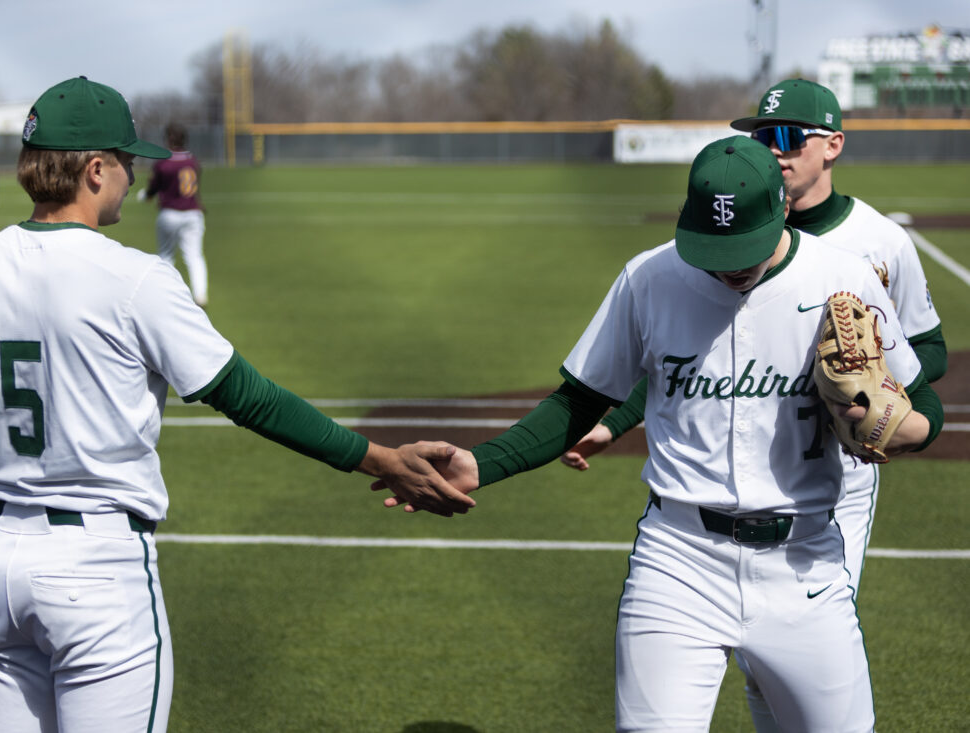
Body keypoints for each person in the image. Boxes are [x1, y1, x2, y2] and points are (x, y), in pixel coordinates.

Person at [0, 76, 473, 733]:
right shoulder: (135, 279)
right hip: (97, 571)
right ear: (94, 170)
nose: (133, 174)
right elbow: (247, 397)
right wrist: (379, 458)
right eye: (126, 162)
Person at [380, 136, 944, 731]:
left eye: (743, 247)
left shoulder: (843, 276)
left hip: (805, 566)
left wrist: (905, 428)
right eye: (714, 249)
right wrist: (482, 463)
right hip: (678, 564)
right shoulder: (649, 278)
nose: (729, 266)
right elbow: (581, 398)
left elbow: (924, 403)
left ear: (783, 208)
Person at [560, 78, 948, 731]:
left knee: (793, 649)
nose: (773, 149)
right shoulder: (714, 244)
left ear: (833, 145)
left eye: (788, 136)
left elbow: (925, 351)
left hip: (840, 475)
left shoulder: (876, 243)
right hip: (703, 518)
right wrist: (619, 418)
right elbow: (694, 364)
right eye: (763, 137)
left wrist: (870, 391)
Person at [140, 123, 208, 307]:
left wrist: (146, 195)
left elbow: (153, 189)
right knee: (195, 256)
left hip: (170, 213)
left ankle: (166, 294)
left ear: (168, 138)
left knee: (166, 256)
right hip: (193, 213)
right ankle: (200, 295)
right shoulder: (193, 161)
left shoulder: (163, 163)